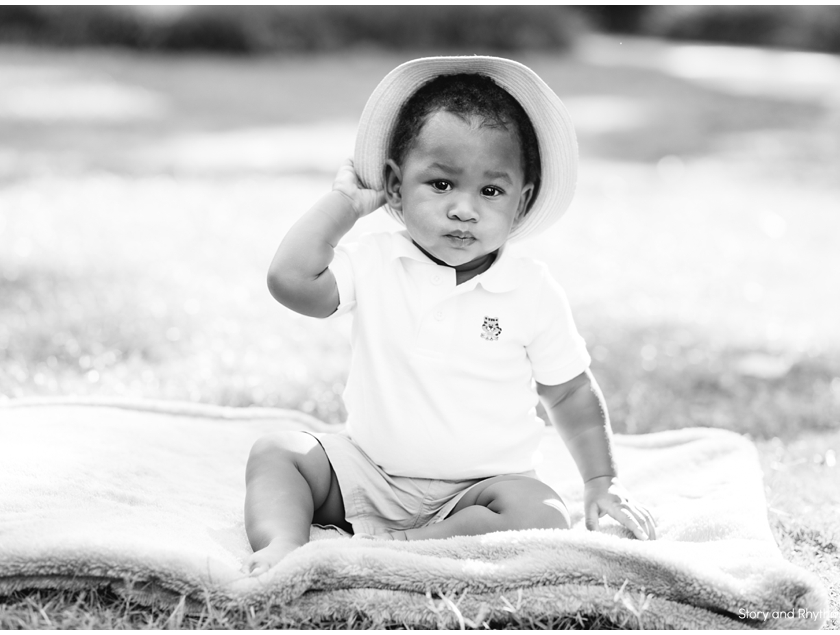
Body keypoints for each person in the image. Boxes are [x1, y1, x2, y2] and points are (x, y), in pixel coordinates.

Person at [244, 56, 656, 576]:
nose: (464, 209)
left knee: (543, 512)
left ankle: (399, 547)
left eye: (490, 190)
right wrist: (344, 206)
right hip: (370, 473)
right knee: (278, 452)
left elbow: (570, 392)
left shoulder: (530, 290)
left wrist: (602, 483)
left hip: (479, 492)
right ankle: (282, 547)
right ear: (395, 186)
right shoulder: (376, 261)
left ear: (521, 202)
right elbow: (290, 280)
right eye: (440, 184)